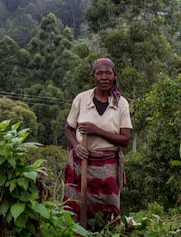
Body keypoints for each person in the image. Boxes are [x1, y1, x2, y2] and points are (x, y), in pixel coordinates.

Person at [63, 57, 132, 228]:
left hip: (107, 166)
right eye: (99, 73)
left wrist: (96, 130)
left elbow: (125, 139)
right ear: (93, 76)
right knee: (76, 207)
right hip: (81, 163)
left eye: (108, 73)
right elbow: (68, 128)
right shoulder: (81, 99)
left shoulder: (121, 103)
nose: (104, 77)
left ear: (114, 76)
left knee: (109, 211)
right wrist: (76, 146)